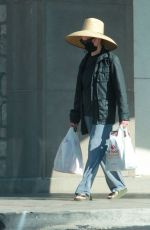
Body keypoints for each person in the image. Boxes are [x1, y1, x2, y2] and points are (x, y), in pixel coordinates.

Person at [65, 18, 129, 201]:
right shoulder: (84, 63)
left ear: (98, 39)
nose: (86, 43)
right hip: (86, 113)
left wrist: (124, 116)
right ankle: (119, 186)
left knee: (94, 148)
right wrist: (74, 116)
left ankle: (83, 189)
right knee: (100, 152)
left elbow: (120, 90)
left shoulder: (111, 61)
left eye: (89, 39)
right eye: (84, 40)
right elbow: (79, 92)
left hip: (104, 113)